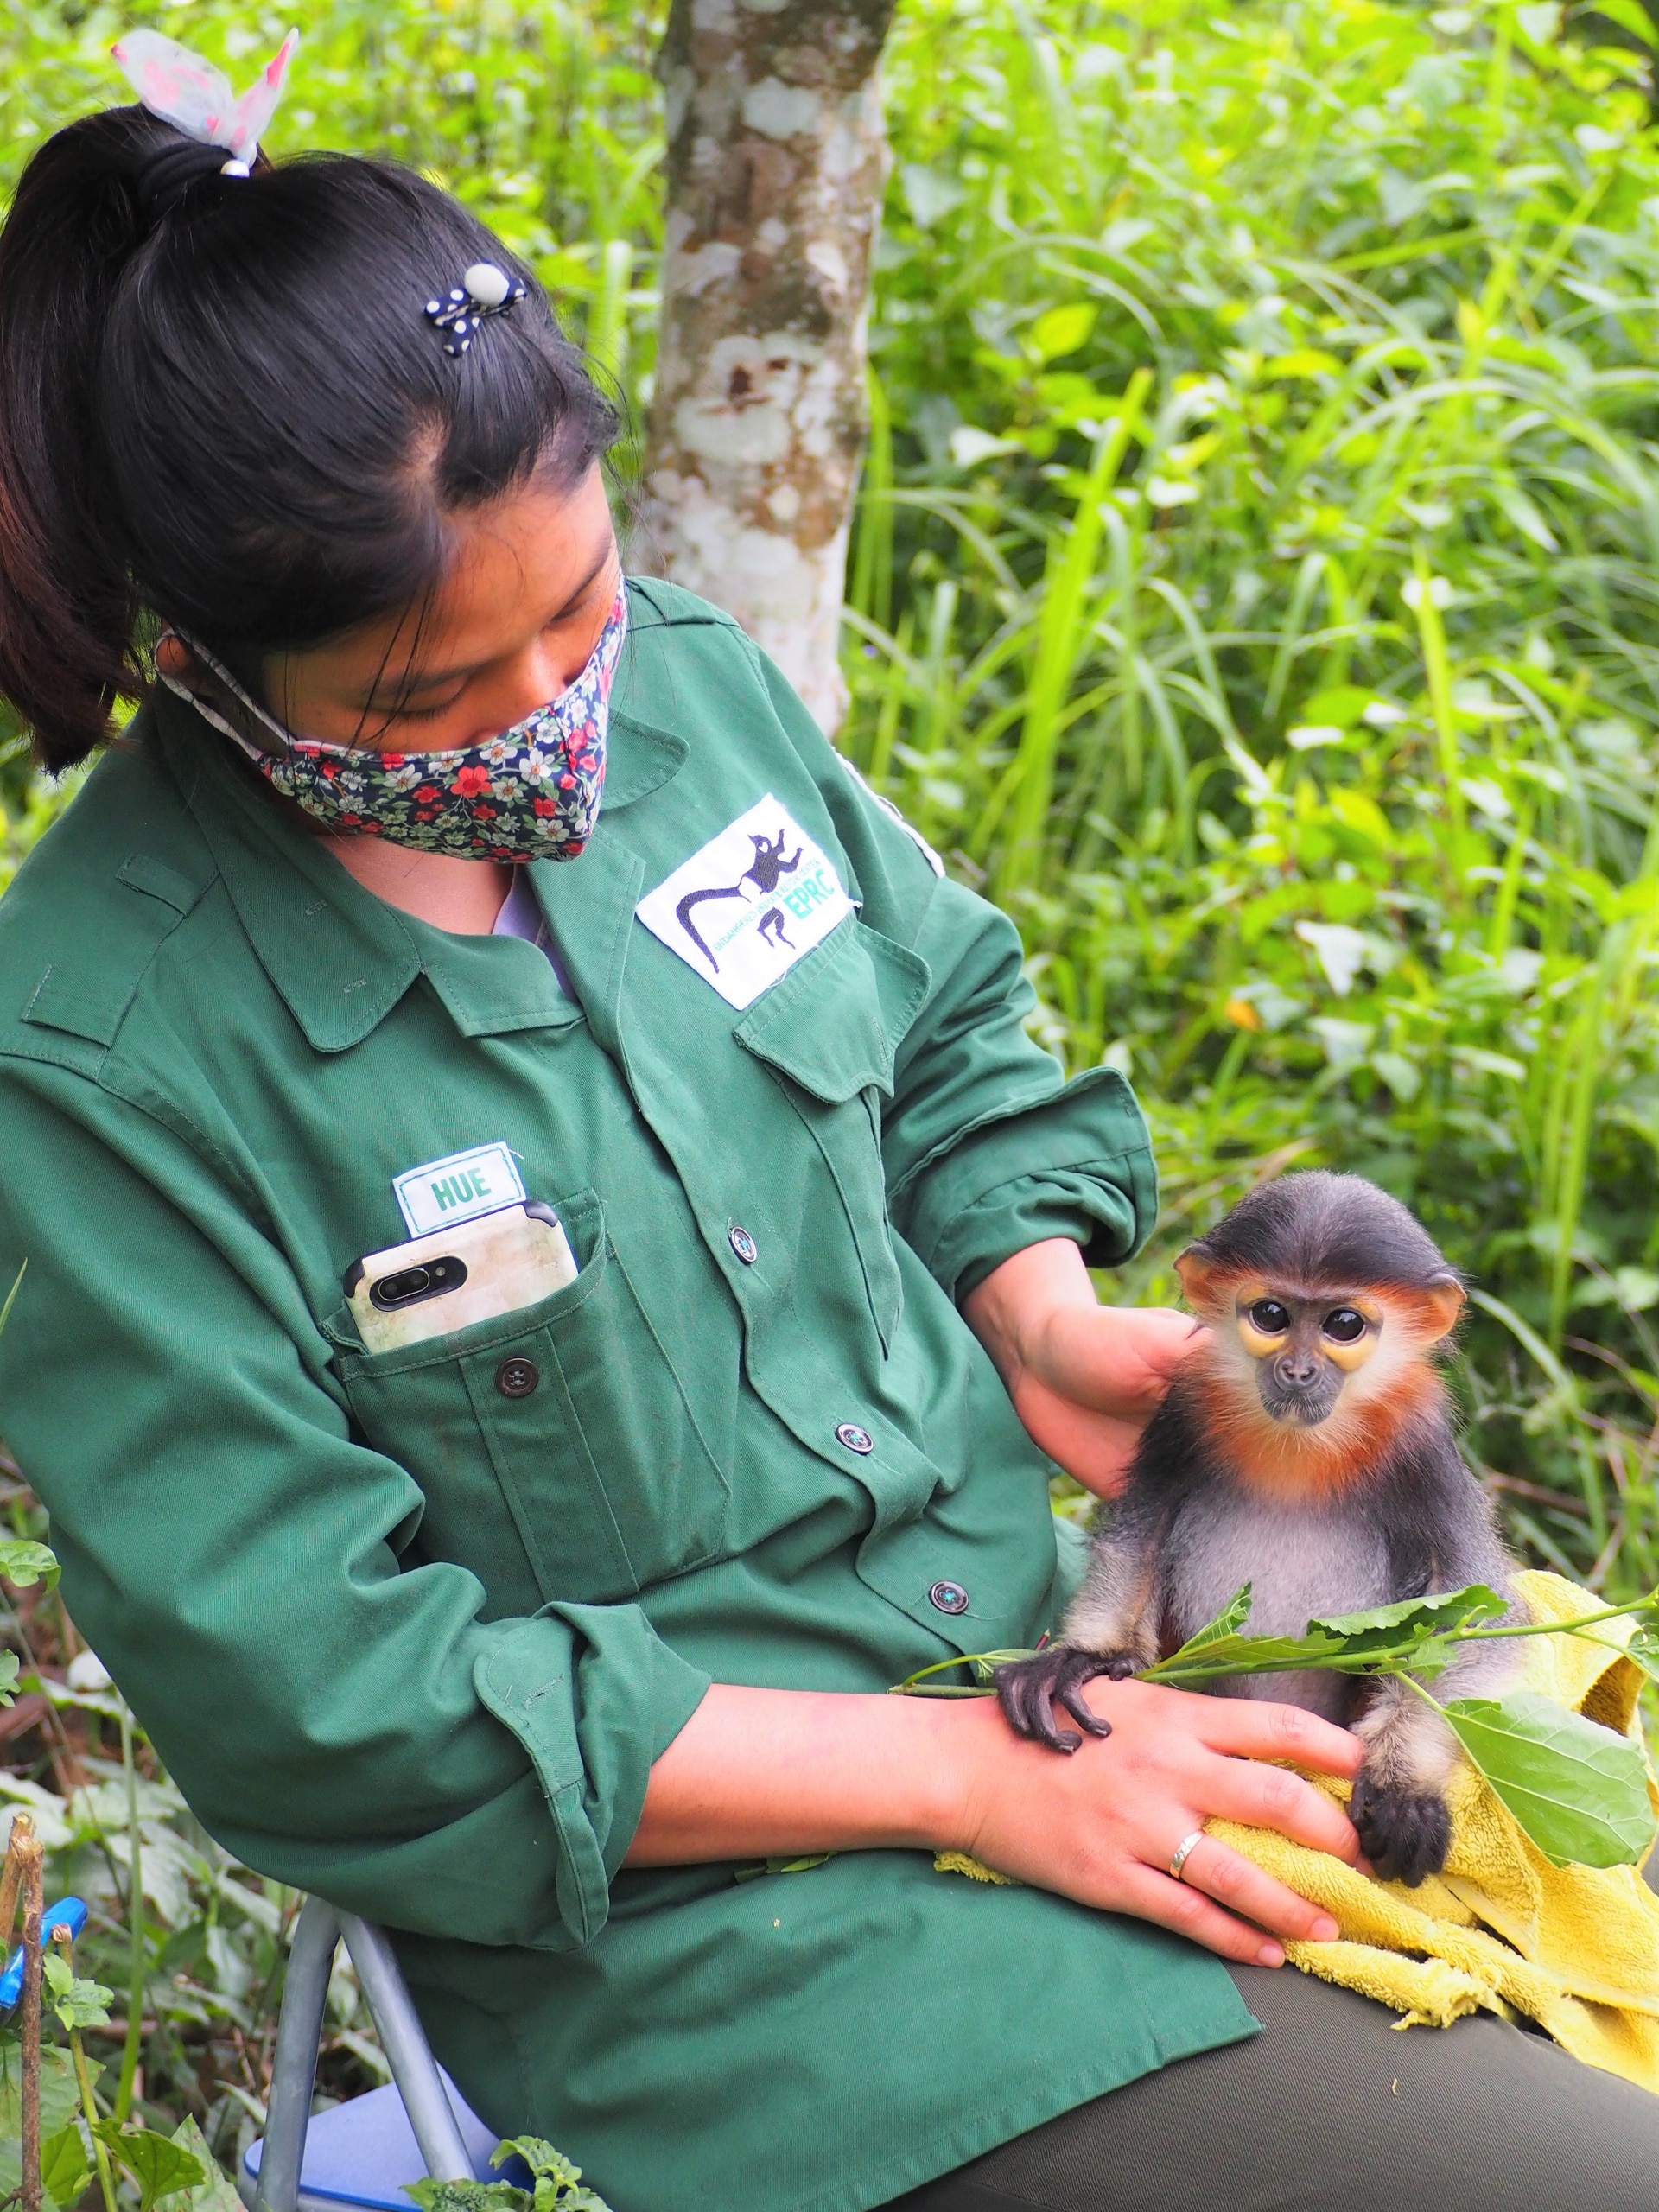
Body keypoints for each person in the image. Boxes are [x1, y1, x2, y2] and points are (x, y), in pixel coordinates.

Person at [0, 63, 1655, 2212]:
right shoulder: (108, 1050)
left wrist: (1038, 1310)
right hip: (738, 1924)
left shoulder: (677, 692)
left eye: (579, 612)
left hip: (1073, 1632)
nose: (554, 721)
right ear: (205, 660)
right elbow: (331, 1700)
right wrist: (959, 1776)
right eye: (429, 702)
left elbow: (951, 1017)